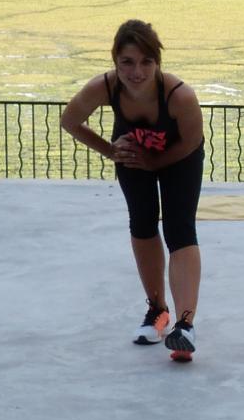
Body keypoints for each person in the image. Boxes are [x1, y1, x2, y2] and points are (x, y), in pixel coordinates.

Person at [61, 20, 206, 362]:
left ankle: (185, 325)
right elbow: (70, 121)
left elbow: (192, 141)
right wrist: (112, 150)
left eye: (145, 62)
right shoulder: (105, 87)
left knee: (179, 228)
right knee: (142, 224)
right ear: (115, 61)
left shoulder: (179, 95)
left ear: (157, 62)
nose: (136, 71)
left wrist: (156, 163)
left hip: (179, 158)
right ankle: (158, 312)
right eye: (127, 62)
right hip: (133, 158)